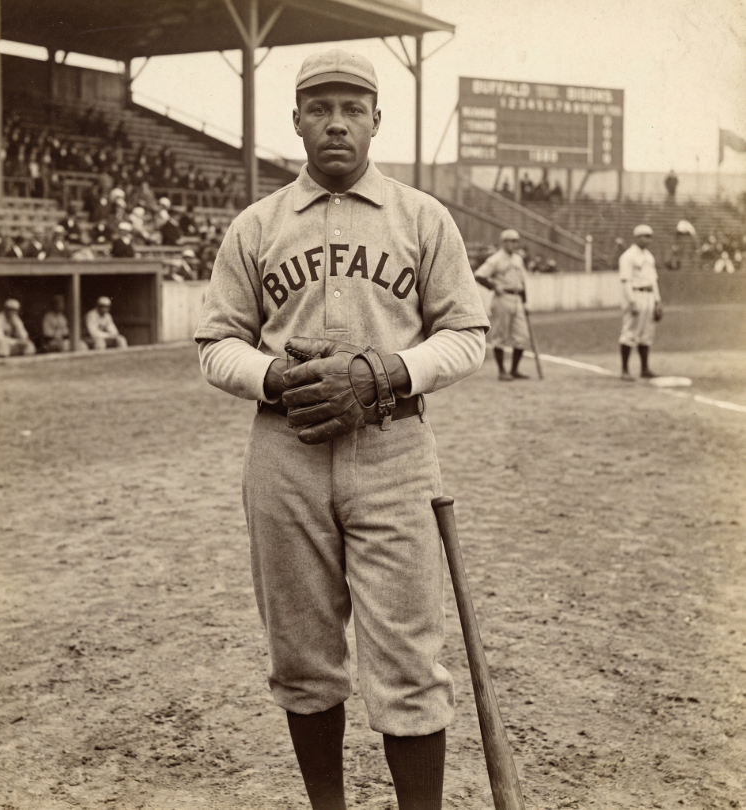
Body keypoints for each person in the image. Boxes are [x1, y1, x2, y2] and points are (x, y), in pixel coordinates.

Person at [194, 49, 489, 810]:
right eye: (319, 108)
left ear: (375, 120)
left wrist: (384, 374)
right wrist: (270, 377)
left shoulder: (423, 217)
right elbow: (215, 342)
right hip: (285, 446)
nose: (335, 123)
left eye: (351, 108)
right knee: (301, 654)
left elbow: (466, 334)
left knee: (408, 660)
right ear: (296, 122)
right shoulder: (255, 227)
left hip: (393, 445)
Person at [474, 228, 530, 380]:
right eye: (511, 241)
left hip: (517, 297)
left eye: (516, 241)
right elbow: (479, 275)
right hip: (503, 298)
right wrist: (493, 286)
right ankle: (502, 371)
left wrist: (525, 303)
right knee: (500, 335)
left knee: (521, 336)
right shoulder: (495, 259)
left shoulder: (518, 259)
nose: (514, 244)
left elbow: (522, 282)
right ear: (503, 242)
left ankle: (514, 370)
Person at [618, 224, 662, 380]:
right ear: (637, 237)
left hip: (649, 296)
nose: (648, 240)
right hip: (636, 295)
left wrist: (657, 301)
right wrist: (631, 301)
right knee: (630, 332)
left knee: (646, 334)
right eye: (645, 236)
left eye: (650, 236)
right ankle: (625, 370)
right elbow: (625, 281)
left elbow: (653, 280)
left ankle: (644, 369)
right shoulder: (627, 256)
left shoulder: (649, 256)